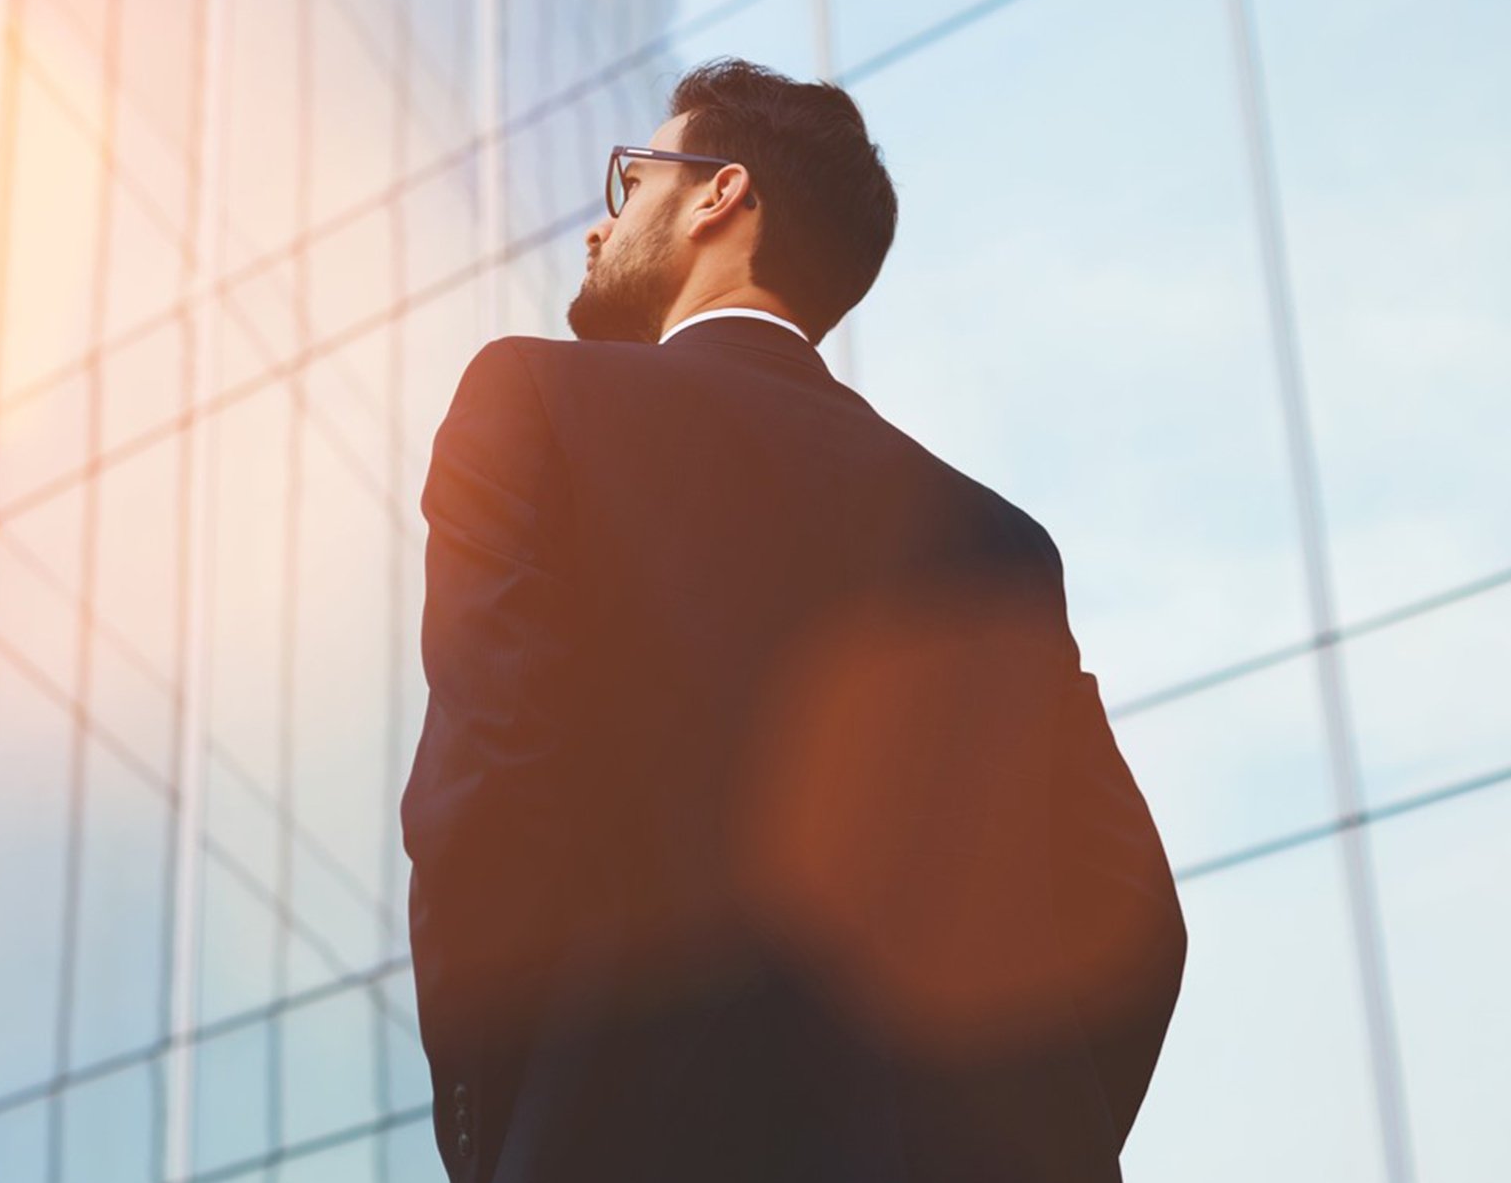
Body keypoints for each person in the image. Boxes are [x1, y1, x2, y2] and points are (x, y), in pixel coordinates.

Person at [400, 57, 1188, 1182]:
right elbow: (1132, 917)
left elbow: (485, 799)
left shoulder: (533, 403)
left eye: (631, 184)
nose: (597, 231)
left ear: (720, 193)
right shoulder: (1000, 541)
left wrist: (504, 1138)